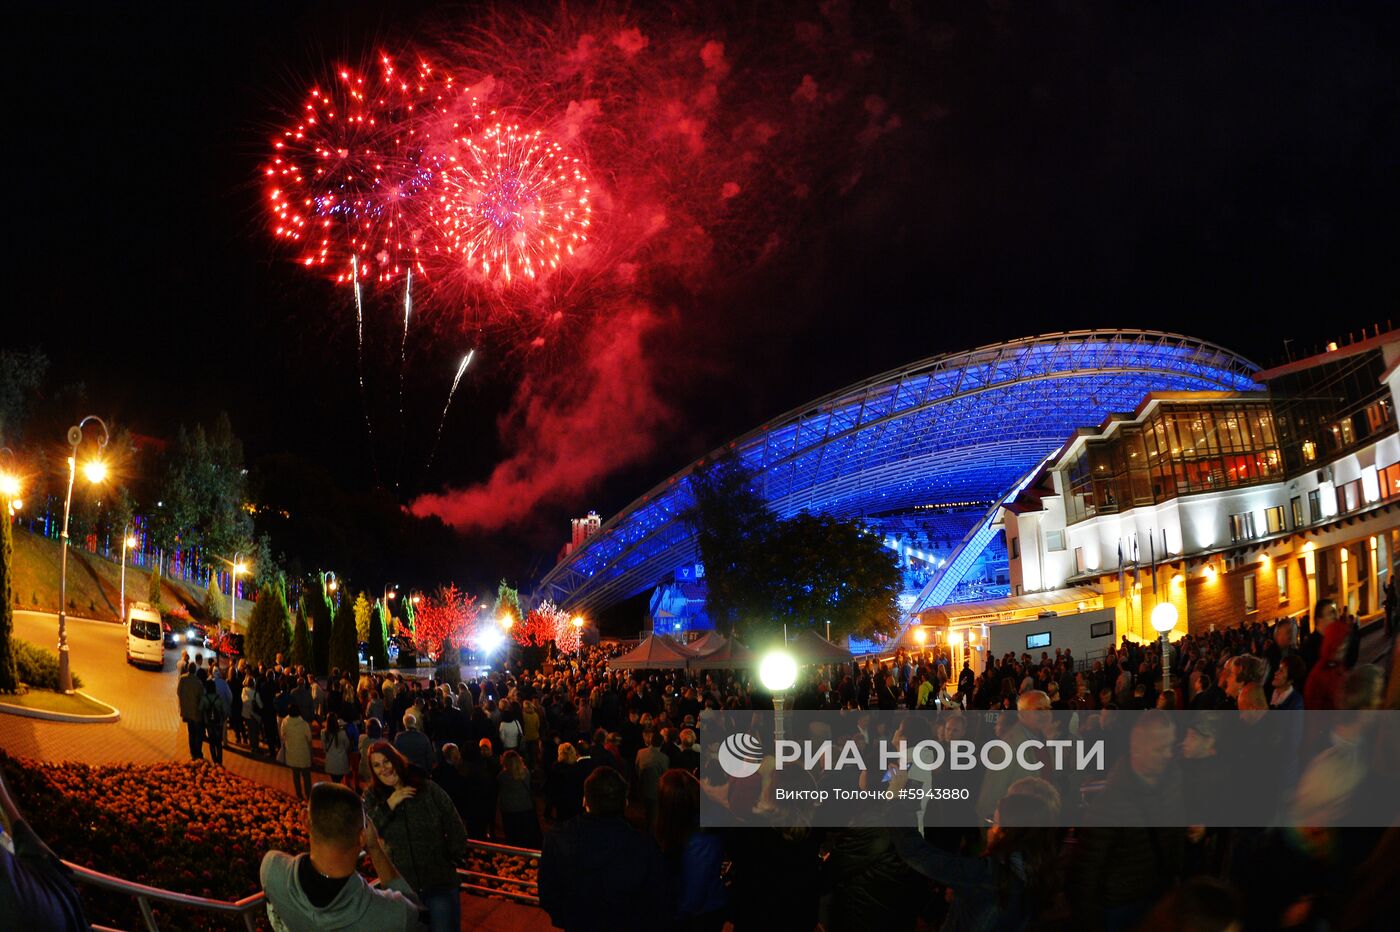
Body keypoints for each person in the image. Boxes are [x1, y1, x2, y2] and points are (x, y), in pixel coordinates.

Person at [260, 781, 422, 931]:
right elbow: (417, 914)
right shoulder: (389, 913)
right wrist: (375, 849)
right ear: (362, 837)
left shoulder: (271, 869)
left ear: (305, 820)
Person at [891, 789, 1057, 931]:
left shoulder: (987, 875)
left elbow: (916, 852)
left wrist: (899, 802)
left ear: (1010, 832)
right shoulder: (1035, 871)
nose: (990, 830)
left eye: (994, 822)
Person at [539, 767, 668, 931]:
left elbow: (548, 893)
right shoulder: (644, 845)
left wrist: (569, 918)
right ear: (625, 803)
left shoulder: (556, 838)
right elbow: (657, 898)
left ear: (584, 801)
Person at [365, 741, 469, 932]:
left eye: (386, 761)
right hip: (401, 889)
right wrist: (388, 805)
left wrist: (453, 857)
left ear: (396, 760)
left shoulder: (426, 788)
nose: (383, 769)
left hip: (439, 882)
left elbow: (453, 821)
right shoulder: (373, 797)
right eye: (376, 765)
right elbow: (365, 833)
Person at [655, 769, 727, 931]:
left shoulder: (701, 838)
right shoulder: (690, 826)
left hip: (702, 913)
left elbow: (694, 893)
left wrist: (674, 918)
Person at [498, 750, 542, 848]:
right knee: (526, 834)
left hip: (509, 809)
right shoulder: (525, 773)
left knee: (513, 835)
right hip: (526, 807)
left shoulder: (503, 776)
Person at [634, 730, 670, 829]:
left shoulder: (640, 752)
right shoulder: (664, 758)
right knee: (653, 817)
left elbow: (636, 768)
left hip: (642, 787)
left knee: (645, 812)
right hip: (655, 791)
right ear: (662, 743)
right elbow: (664, 775)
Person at [281, 703, 315, 801]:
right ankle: (309, 795)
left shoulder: (285, 722)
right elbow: (309, 739)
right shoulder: (304, 724)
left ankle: (299, 794)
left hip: (291, 751)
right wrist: (311, 754)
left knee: (295, 775)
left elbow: (282, 735)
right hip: (303, 753)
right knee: (306, 776)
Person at [545, 743, 584, 824]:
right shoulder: (578, 767)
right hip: (576, 801)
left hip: (562, 803)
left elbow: (552, 789)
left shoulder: (556, 768)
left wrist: (548, 809)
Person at [177, 664, 205, 761]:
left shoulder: (183, 679)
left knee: (191, 733)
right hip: (196, 712)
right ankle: (197, 753)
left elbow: (178, 692)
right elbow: (202, 698)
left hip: (187, 711)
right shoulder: (198, 683)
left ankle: (193, 752)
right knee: (197, 733)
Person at [200, 677, 227, 766]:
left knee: (211, 742)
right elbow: (224, 710)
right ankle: (220, 761)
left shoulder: (205, 698)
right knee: (218, 742)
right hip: (218, 723)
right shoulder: (218, 698)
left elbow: (200, 708)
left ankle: (214, 760)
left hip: (209, 722)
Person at [322, 713, 352, 786]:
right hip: (341, 762)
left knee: (334, 781)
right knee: (337, 781)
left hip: (330, 762)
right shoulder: (342, 733)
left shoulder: (323, 733)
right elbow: (347, 745)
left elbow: (324, 748)